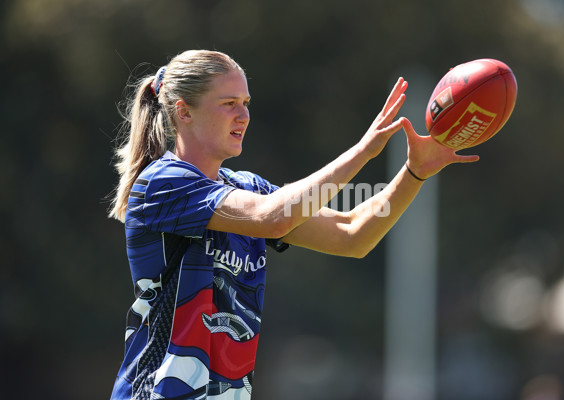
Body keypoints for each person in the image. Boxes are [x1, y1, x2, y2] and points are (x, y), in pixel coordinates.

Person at [108, 49, 478, 400]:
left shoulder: (247, 187)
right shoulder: (163, 183)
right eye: (228, 104)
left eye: (246, 103)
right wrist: (364, 150)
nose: (243, 115)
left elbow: (353, 234)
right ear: (183, 112)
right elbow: (271, 217)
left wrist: (415, 172)